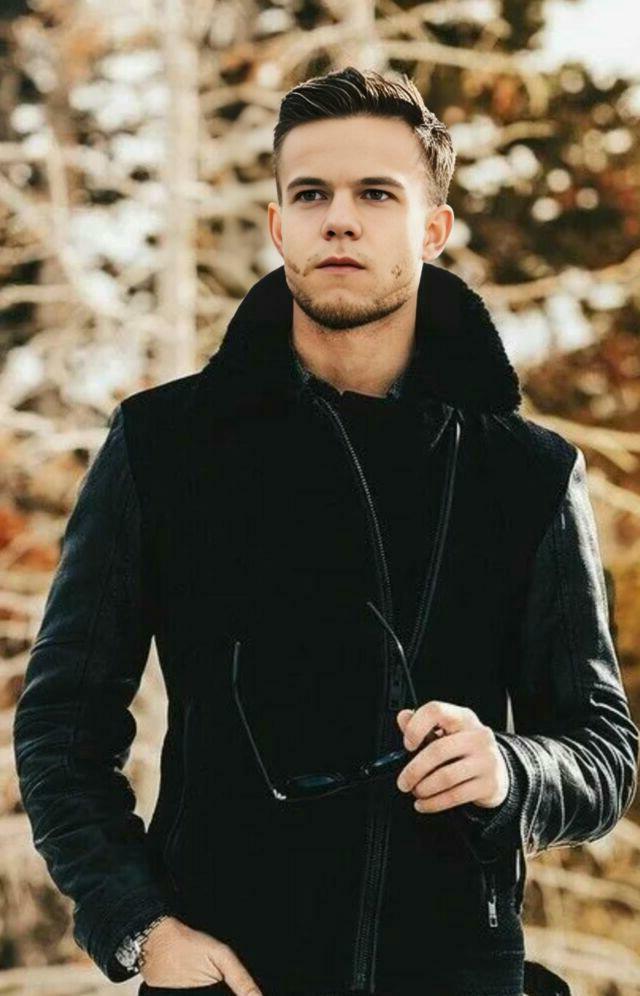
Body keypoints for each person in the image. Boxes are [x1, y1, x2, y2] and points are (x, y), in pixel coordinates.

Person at [13, 66, 638, 996]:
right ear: (278, 226)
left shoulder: (528, 473)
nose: (338, 219)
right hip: (228, 978)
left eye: (376, 194)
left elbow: (602, 751)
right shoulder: (165, 444)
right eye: (311, 194)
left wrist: (510, 769)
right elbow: (63, 727)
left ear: (433, 229)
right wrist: (140, 925)